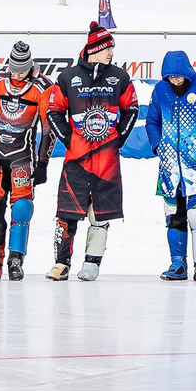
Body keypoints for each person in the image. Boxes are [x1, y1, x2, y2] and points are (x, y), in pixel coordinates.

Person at [45, 24, 137, 281]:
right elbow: (53, 111)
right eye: (107, 47)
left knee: (99, 214)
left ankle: (92, 263)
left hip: (106, 160)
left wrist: (118, 137)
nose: (110, 52)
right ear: (94, 49)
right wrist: (67, 138)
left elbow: (131, 108)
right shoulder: (67, 77)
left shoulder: (120, 77)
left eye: (111, 48)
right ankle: (61, 264)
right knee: (67, 214)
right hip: (76, 158)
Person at [143, 50, 196, 280]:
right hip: (169, 167)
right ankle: (177, 264)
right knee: (173, 215)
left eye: (178, 77)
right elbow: (152, 121)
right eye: (170, 77)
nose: (175, 81)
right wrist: (157, 145)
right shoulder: (160, 91)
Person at [0, 40, 56, 280]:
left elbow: (48, 128)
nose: (17, 74)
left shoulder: (42, 87)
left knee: (21, 209)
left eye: (22, 69)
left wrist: (42, 164)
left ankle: (16, 260)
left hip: (24, 159)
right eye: (13, 68)